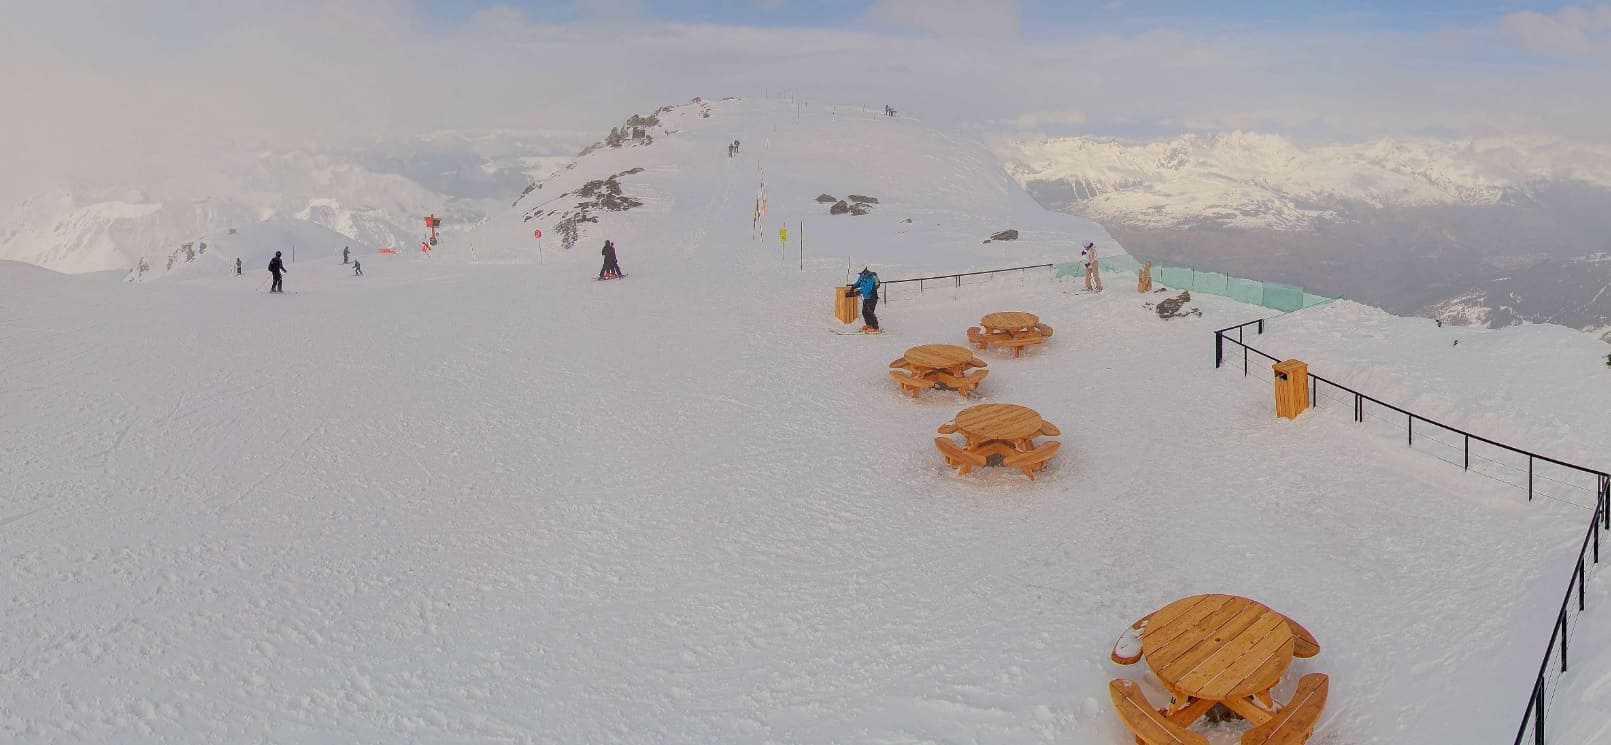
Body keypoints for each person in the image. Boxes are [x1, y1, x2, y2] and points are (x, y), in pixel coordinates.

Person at [847, 267, 880, 332]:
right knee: (864, 312)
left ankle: (876, 328)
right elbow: (858, 282)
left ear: (864, 271)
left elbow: (867, 289)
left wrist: (859, 291)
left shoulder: (870, 278)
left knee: (870, 313)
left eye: (860, 273)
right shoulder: (862, 276)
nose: (860, 274)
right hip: (866, 298)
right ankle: (869, 325)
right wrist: (853, 287)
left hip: (872, 297)